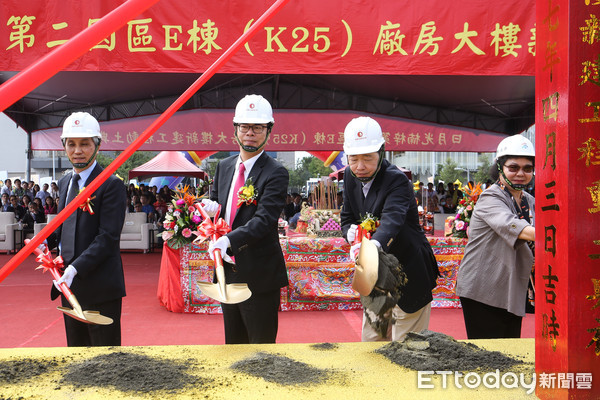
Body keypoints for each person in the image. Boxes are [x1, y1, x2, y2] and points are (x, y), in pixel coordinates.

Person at [340, 116, 440, 342]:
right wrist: (350, 234)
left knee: (407, 347)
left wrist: (371, 247)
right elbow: (347, 215)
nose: (360, 166)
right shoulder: (349, 175)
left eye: (368, 158)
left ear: (382, 152)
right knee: (372, 342)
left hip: (408, 269)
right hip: (376, 279)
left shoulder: (396, 180)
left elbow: (392, 221)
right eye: (353, 159)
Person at [201, 94, 289, 344]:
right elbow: (220, 207)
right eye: (245, 127)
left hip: (258, 274)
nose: (250, 132)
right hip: (226, 270)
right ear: (235, 129)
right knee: (233, 344)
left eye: (258, 127)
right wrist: (210, 211)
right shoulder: (224, 166)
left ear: (268, 131)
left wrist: (228, 240)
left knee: (260, 349)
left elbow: (263, 220)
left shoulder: (276, 172)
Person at [49, 112, 127, 347]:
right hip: (69, 285)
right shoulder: (65, 182)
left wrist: (75, 268)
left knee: (106, 358)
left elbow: (108, 237)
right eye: (71, 144)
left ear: (98, 145)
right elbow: (65, 225)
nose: (78, 150)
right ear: (64, 146)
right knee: (75, 353)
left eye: (85, 144)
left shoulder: (111, 184)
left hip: (100, 286)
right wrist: (46, 242)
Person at [455, 134, 535, 339]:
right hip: (483, 288)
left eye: (527, 168)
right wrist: (560, 233)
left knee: (509, 351)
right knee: (488, 356)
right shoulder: (491, 196)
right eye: (513, 167)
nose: (520, 173)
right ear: (500, 167)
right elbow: (517, 227)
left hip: (510, 287)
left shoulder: (529, 200)